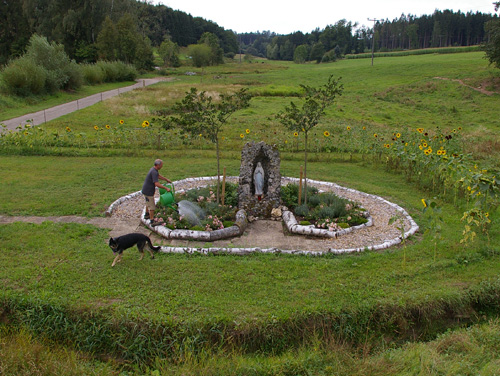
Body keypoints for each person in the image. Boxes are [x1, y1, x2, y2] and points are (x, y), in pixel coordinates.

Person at [141, 159, 172, 224]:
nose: (162, 166)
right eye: (161, 165)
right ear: (158, 165)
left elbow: (158, 176)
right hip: (148, 191)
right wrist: (166, 188)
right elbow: (156, 184)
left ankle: (147, 214)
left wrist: (166, 179)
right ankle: (152, 221)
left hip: (145, 189)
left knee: (148, 202)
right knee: (152, 206)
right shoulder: (154, 172)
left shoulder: (153, 170)